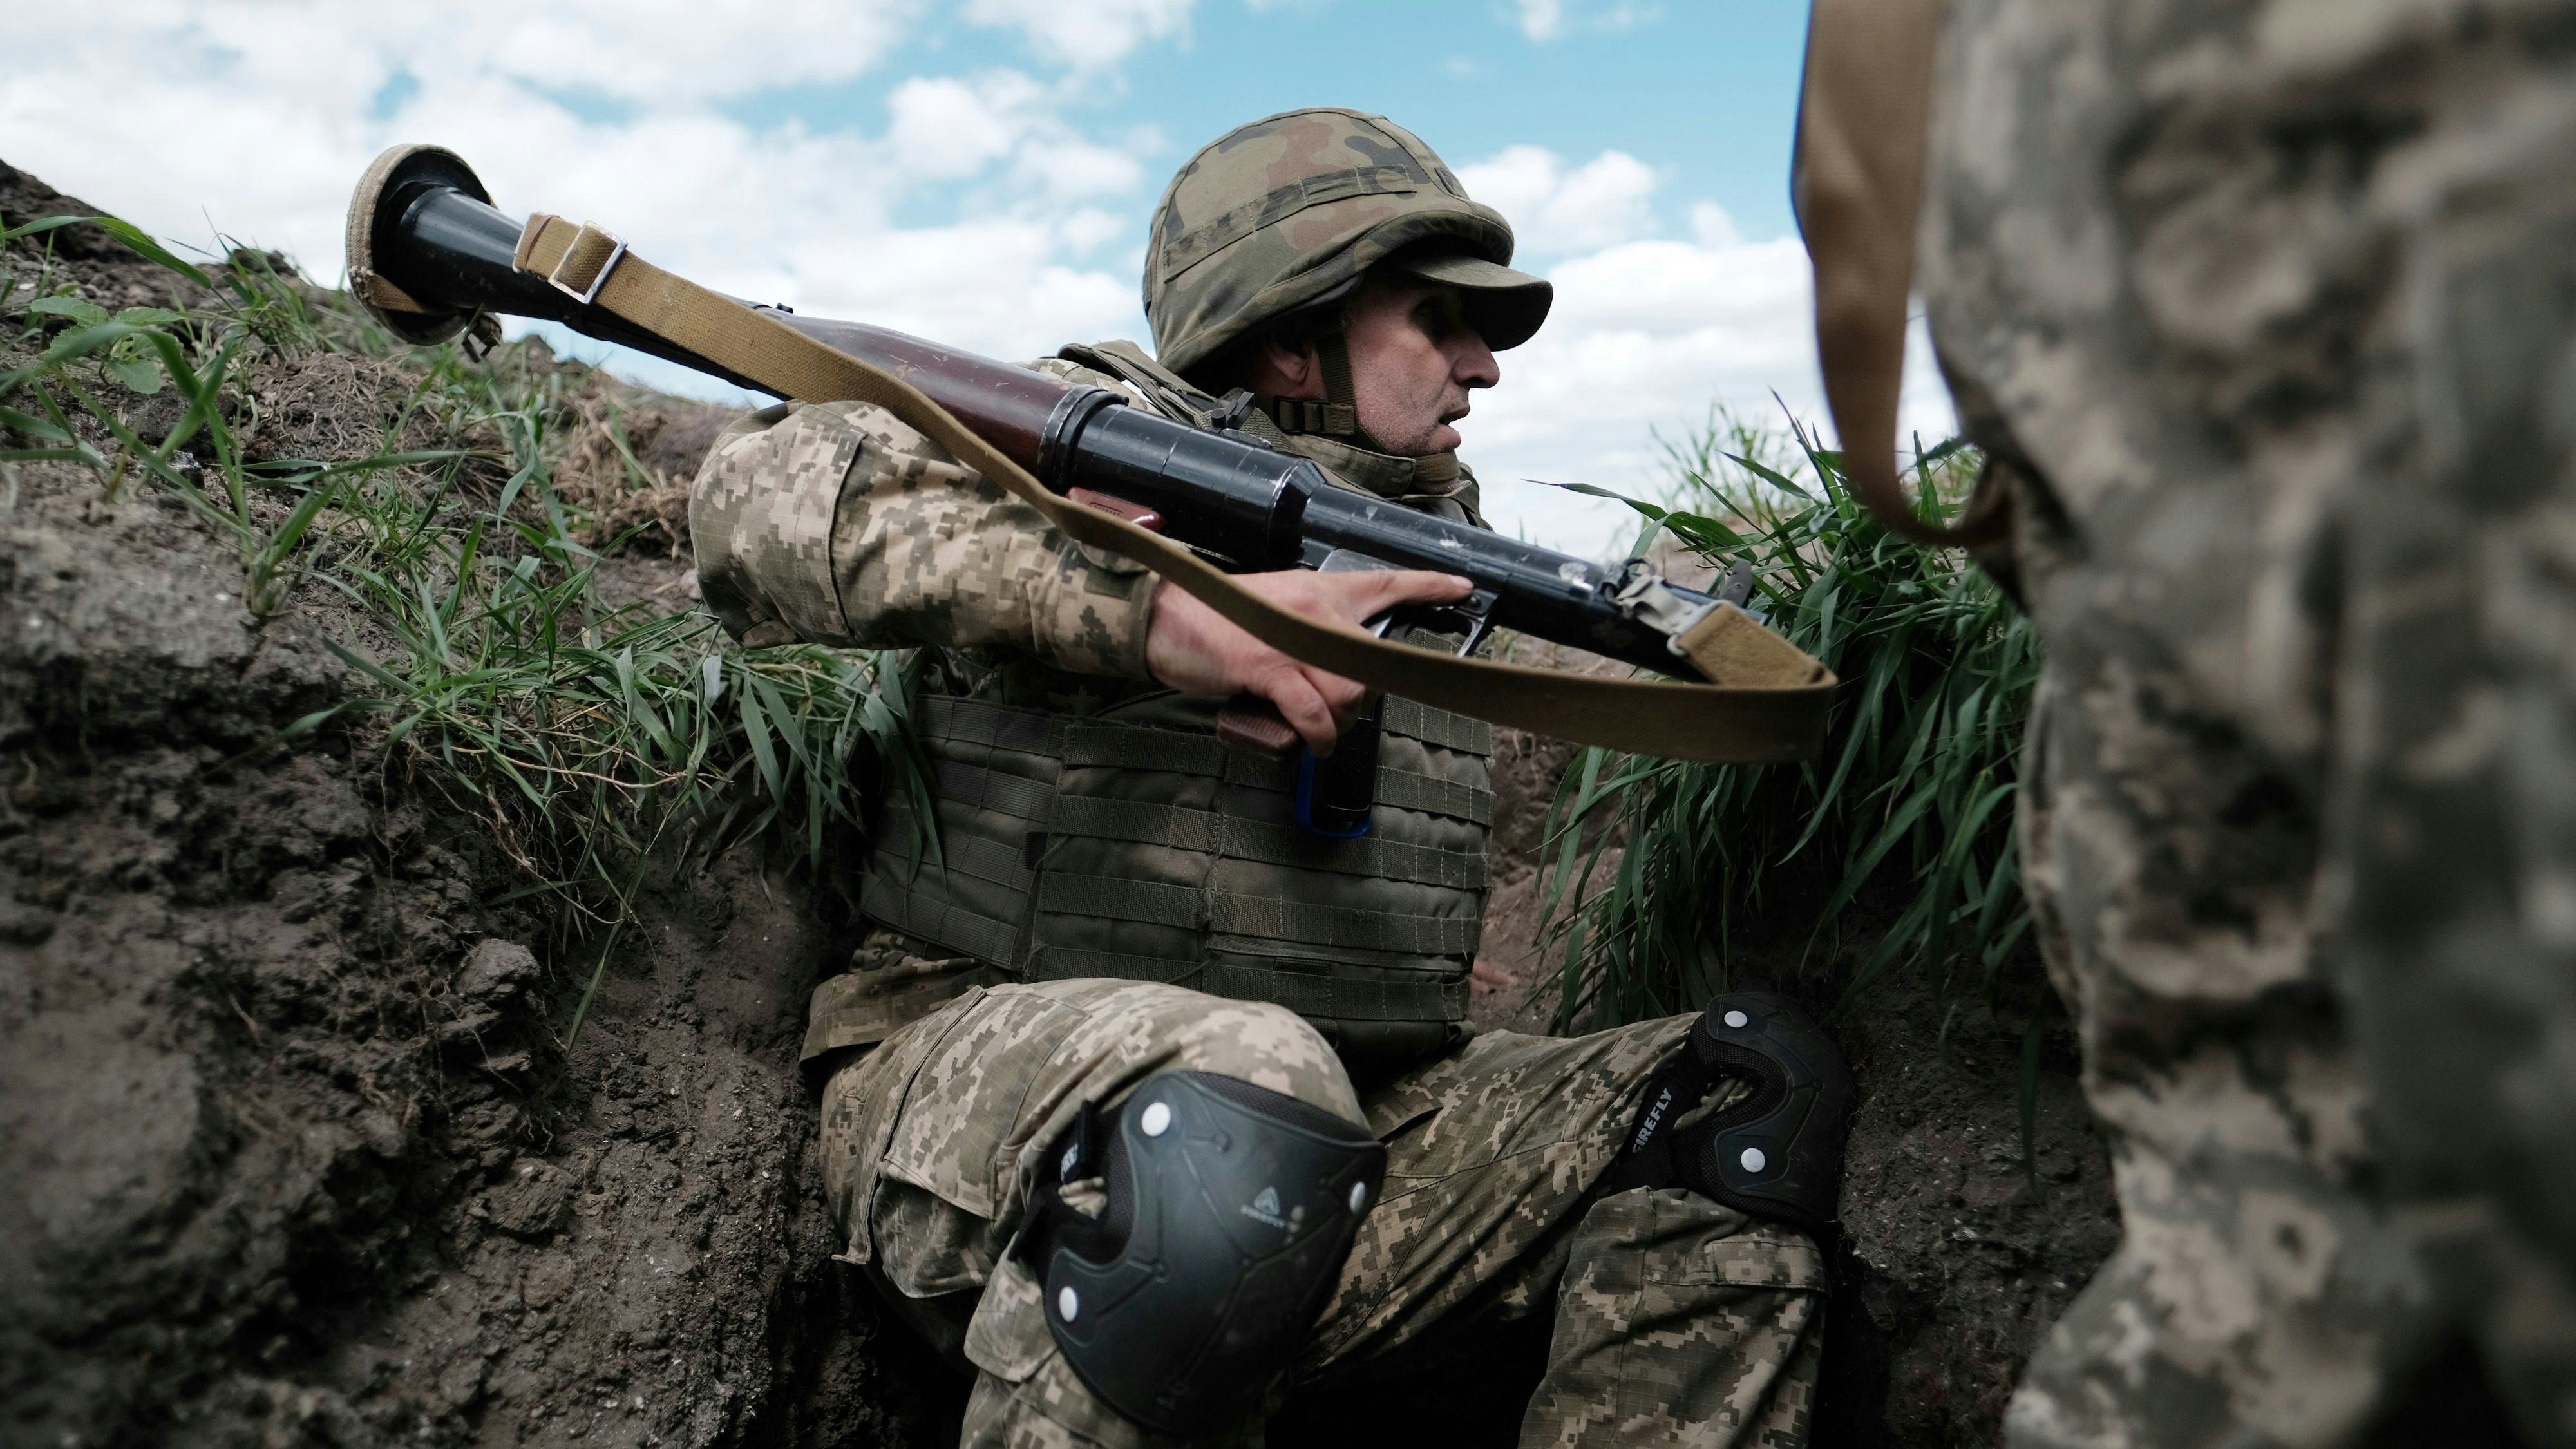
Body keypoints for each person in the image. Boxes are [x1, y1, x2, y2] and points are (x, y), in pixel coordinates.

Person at [690, 109, 1834, 1446]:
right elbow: (756, 499)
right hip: (984, 1108)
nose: (1484, 367)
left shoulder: (1441, 561)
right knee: (1246, 1114)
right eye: (1438, 322)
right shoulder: (1099, 443)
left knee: (1743, 1097)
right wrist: (1145, 612)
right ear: (1291, 339)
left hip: (1350, 1133)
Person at [1801, 1, 2576, 1442]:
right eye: (1438, 315)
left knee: (2282, 1243)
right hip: (2250, 119)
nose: (1477, 362)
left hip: (2067, 142)